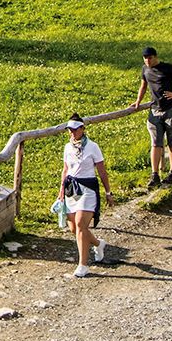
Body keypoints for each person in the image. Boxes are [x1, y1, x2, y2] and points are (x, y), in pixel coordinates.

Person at [132, 47, 172, 188]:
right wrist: (138, 102)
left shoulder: (167, 67)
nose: (147, 61)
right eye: (145, 58)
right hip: (155, 109)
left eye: (150, 58)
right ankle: (155, 174)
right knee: (156, 143)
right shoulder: (145, 70)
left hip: (170, 109)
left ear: (155, 57)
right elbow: (143, 86)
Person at [59, 114, 112, 277]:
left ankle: (82, 265)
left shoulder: (93, 147)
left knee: (81, 223)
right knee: (74, 227)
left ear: (83, 129)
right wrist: (61, 189)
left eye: (75, 129)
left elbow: (102, 171)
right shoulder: (68, 147)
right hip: (72, 189)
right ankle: (98, 244)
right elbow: (66, 169)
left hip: (88, 188)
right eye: (70, 130)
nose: (73, 133)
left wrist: (108, 192)